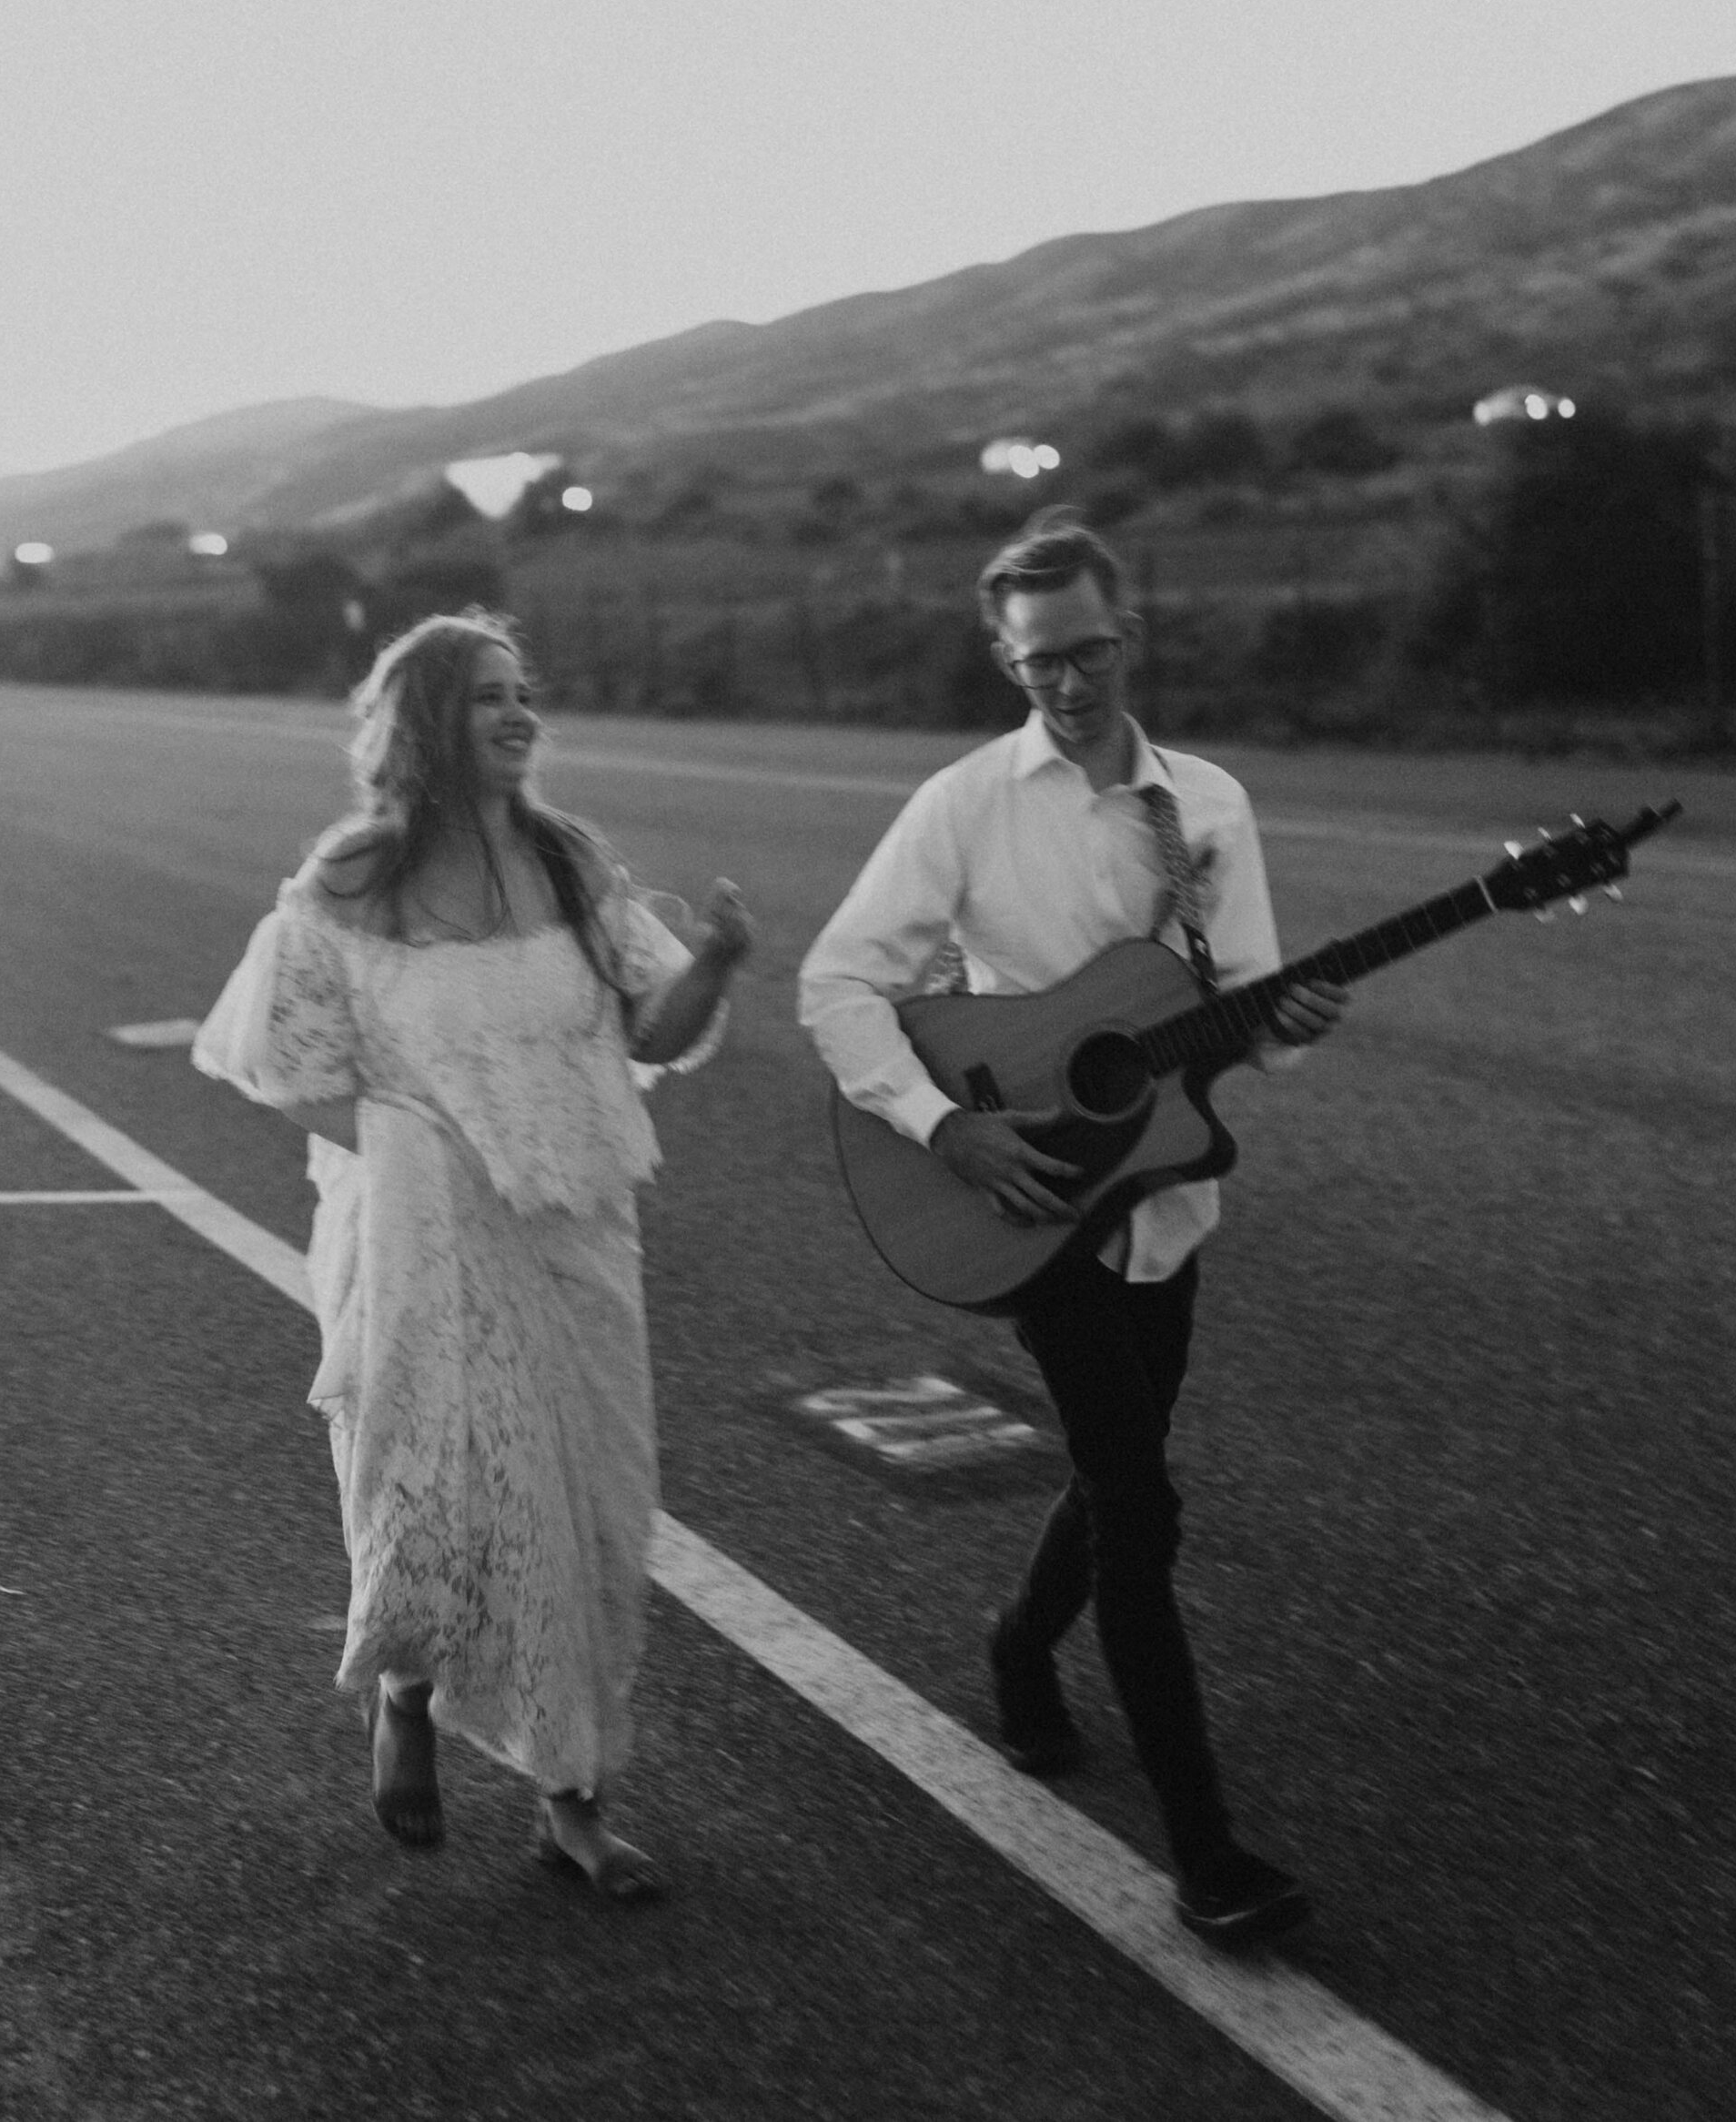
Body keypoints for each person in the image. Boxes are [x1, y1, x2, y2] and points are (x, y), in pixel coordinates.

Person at [798, 510, 1346, 1951]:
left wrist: (1290, 1020)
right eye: (1039, 660)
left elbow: (1241, 1010)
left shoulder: (1206, 805)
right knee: (1141, 1509)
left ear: (1129, 637)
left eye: (1089, 651)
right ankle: (1206, 1855)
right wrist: (946, 1126)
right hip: (1029, 1196)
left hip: (1163, 1192)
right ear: (1005, 657)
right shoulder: (964, 805)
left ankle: (1019, 1642)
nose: (1068, 681)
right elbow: (838, 983)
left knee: (1124, 1469)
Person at [194, 607, 753, 1903]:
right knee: (435, 1487)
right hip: (419, 1240)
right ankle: (405, 1688)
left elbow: (655, 1034)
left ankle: (572, 1800)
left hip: (572, 1230)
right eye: (489, 696)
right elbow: (292, 1070)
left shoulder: (569, 863)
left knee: (584, 1506)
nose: (520, 714)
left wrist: (720, 961)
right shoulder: (351, 879)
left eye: (522, 693)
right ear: (427, 725)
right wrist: (419, 1155)